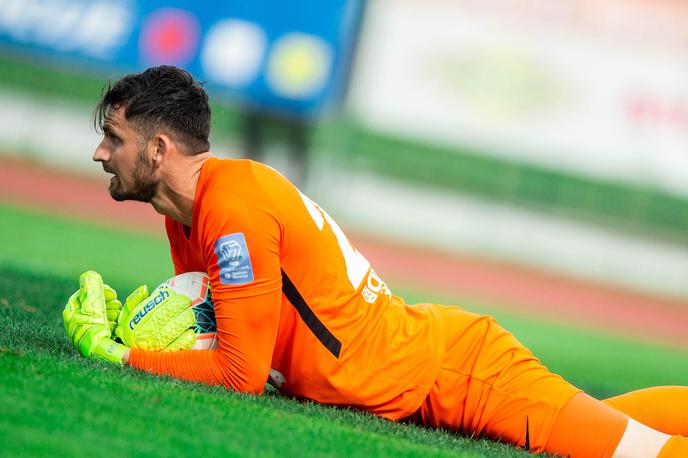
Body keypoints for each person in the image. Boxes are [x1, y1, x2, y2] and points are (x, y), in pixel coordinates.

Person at [62, 66, 688, 457]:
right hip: (423, 372)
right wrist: (143, 323)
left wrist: (121, 353)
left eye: (114, 137)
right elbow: (225, 328)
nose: (99, 152)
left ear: (159, 149)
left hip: (459, 375)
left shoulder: (236, 209)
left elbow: (239, 376)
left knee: (637, 453)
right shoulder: (190, 211)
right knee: (613, 424)